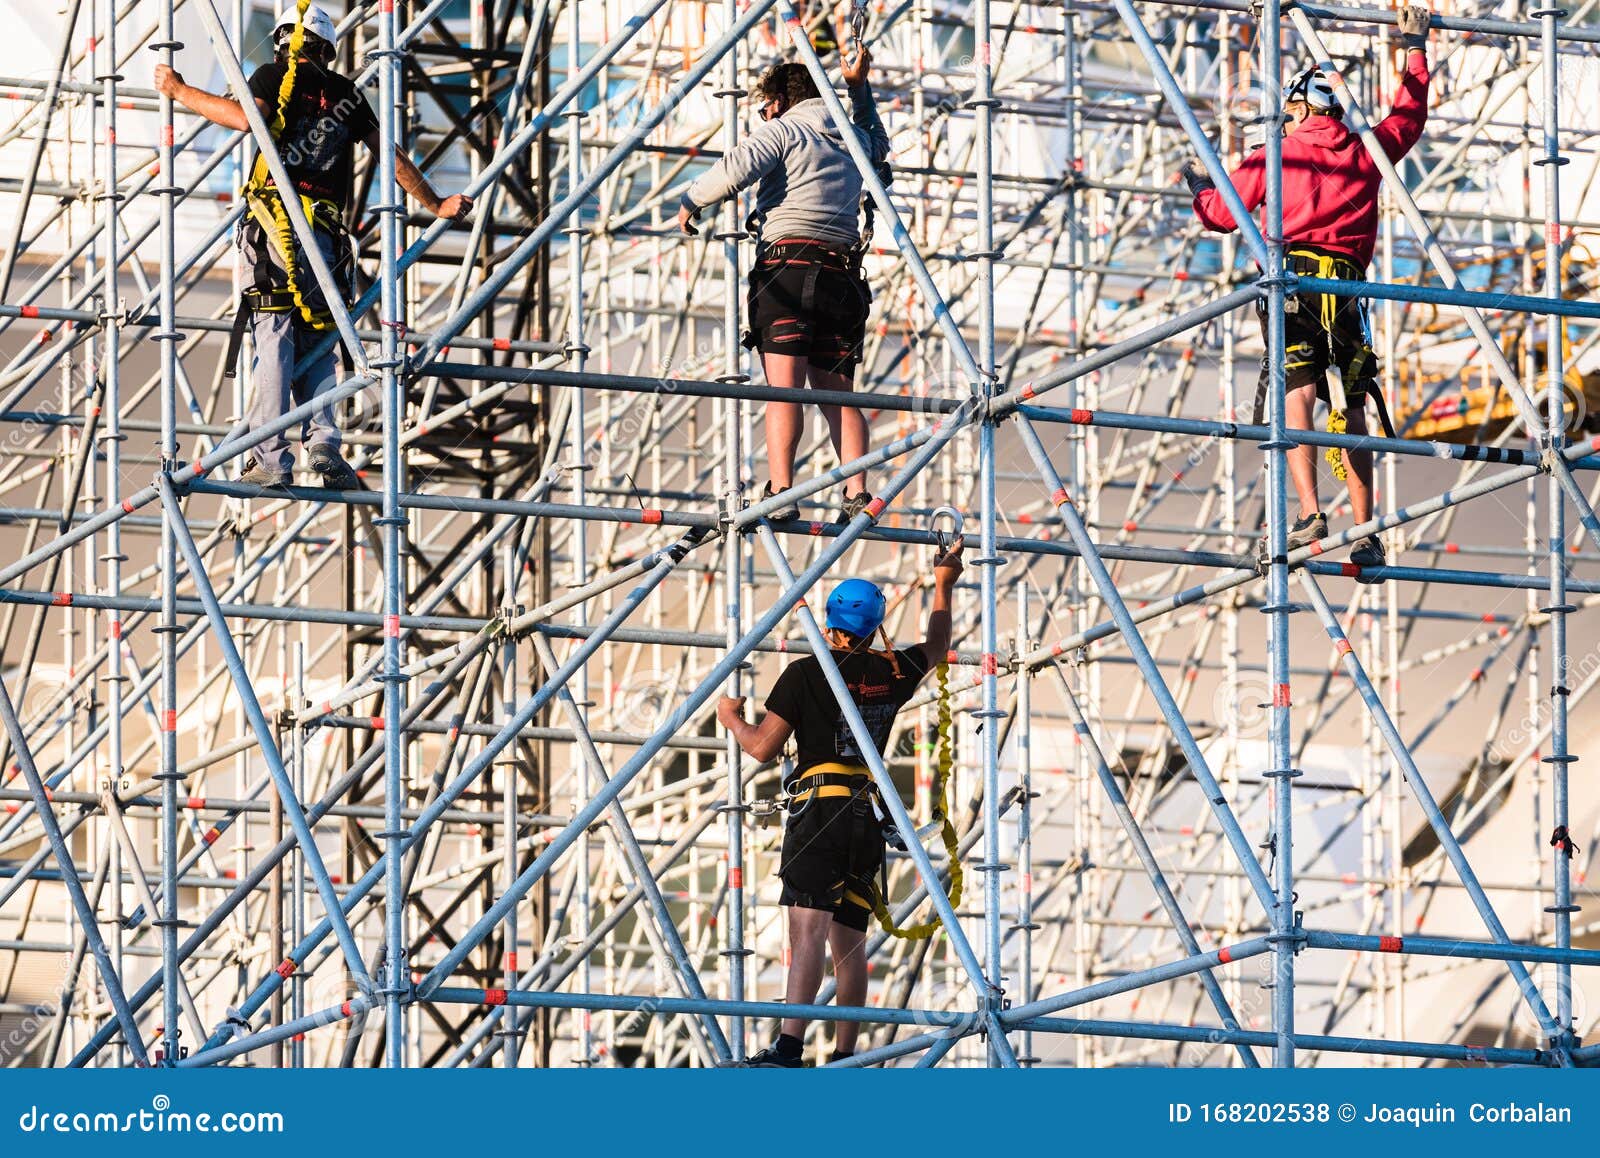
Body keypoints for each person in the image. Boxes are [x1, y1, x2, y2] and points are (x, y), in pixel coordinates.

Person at [154, 4, 473, 488]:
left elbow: (245, 121)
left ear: (284, 39)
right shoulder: (345, 93)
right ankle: (323, 440)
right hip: (326, 237)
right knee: (322, 337)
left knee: (274, 333)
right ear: (328, 49)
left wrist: (180, 91)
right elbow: (390, 155)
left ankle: (272, 459)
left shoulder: (272, 75)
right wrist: (435, 203)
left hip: (275, 229)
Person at [1182, 5, 1433, 573]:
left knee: (1295, 390)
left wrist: (1200, 187)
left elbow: (1222, 214)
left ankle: (1310, 511)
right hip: (1345, 285)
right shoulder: (1366, 150)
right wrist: (1414, 49)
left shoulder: (1278, 153)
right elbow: (1408, 118)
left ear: (1298, 106)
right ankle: (1366, 528)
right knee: (1352, 401)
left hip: (1293, 278)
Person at [716, 539, 963, 1066]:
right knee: (849, 940)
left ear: (828, 621)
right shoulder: (891, 671)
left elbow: (762, 748)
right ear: (875, 626)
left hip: (819, 812)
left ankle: (788, 1047)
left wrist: (730, 716)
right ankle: (845, 1054)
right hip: (864, 816)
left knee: (807, 928)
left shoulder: (807, 672)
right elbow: (938, 646)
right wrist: (943, 584)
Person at [677, 39, 890, 522]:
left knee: (784, 388)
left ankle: (782, 493)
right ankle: (856, 493)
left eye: (764, 109)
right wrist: (859, 90)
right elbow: (881, 143)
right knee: (838, 393)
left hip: (787, 271)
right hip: (842, 276)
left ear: (777, 103)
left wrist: (691, 202)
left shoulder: (785, 131)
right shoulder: (854, 135)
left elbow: (733, 170)